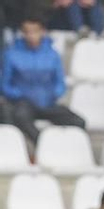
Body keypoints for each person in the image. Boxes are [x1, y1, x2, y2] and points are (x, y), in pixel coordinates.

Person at [0, 17, 85, 146]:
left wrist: (53, 94)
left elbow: (60, 83)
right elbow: (5, 85)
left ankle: (69, 149)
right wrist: (21, 95)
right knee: (20, 116)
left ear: (42, 32)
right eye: (27, 32)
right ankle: (44, 145)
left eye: (34, 31)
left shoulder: (52, 54)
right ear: (23, 33)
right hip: (24, 103)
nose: (31, 36)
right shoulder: (11, 54)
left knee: (78, 121)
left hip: (48, 102)